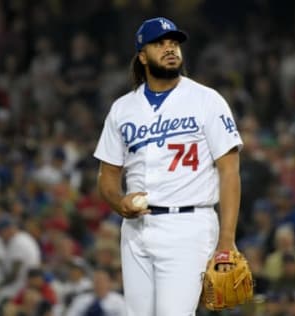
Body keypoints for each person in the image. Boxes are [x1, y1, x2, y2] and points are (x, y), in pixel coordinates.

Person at [94, 17, 243, 316]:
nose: (170, 48)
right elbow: (107, 176)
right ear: (141, 55)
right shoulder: (123, 109)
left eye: (174, 43)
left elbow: (229, 172)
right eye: (159, 44)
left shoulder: (207, 100)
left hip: (188, 225)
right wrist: (119, 203)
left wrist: (227, 240)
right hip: (136, 230)